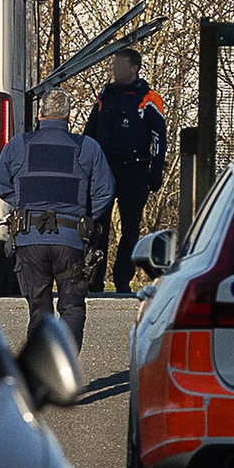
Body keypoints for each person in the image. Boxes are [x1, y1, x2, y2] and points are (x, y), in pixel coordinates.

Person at [0, 88, 114, 349]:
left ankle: (41, 377)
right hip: (71, 241)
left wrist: (26, 204)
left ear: (39, 114)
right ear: (69, 116)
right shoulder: (87, 147)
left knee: (39, 310)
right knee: (71, 307)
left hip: (30, 241)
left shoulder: (19, 145)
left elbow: (0, 183)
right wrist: (84, 216)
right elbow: (106, 190)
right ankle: (64, 371)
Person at [82, 49, 167, 290]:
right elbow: (90, 132)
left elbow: (159, 136)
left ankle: (122, 280)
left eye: (120, 65)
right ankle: (95, 281)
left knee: (130, 227)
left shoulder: (149, 97)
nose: (115, 70)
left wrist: (156, 169)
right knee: (97, 227)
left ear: (134, 68)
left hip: (135, 170)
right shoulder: (105, 95)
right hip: (103, 170)